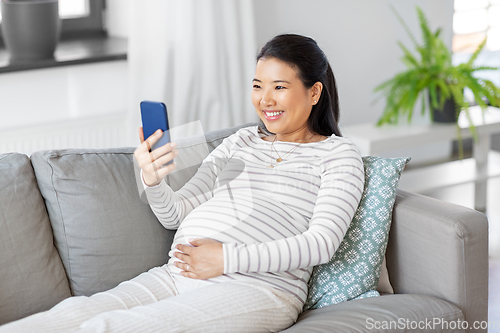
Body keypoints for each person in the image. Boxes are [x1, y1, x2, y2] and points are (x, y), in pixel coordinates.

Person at [0, 34, 364, 333]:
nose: (264, 100)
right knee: (64, 318)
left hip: (256, 288)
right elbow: (176, 213)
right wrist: (152, 179)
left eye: (279, 87)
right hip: (176, 274)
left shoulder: (338, 155)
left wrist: (225, 258)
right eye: (257, 86)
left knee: (110, 327)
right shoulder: (240, 141)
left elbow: (321, 244)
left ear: (314, 93)